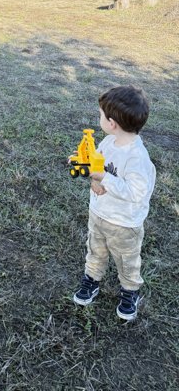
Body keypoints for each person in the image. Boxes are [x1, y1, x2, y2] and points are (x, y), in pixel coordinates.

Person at [72, 85, 156, 321]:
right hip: (99, 213)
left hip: (124, 223)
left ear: (112, 123)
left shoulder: (137, 157)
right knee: (95, 250)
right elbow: (98, 168)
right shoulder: (108, 143)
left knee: (126, 259)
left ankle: (130, 291)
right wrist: (89, 172)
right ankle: (91, 279)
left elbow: (136, 192)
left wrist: (104, 179)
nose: (98, 118)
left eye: (100, 115)